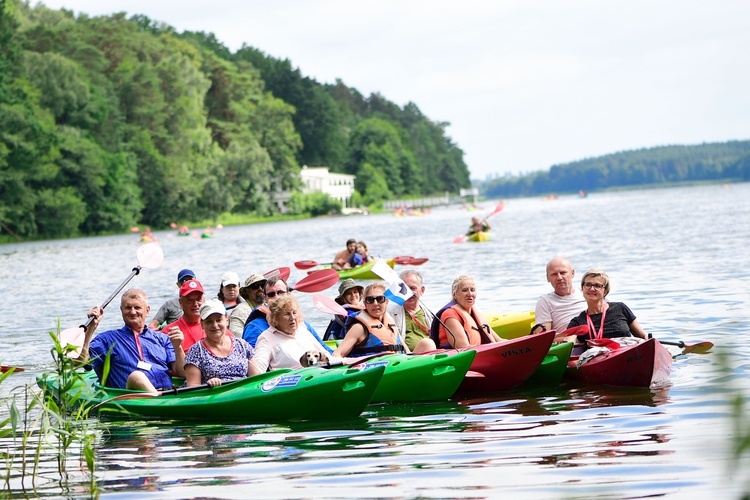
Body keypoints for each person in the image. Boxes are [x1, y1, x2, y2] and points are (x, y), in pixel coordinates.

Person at [78, 289, 186, 391]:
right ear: (121, 310)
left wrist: (178, 346)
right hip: (130, 396)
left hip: (167, 394)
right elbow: (80, 362)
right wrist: (91, 328)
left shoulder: (162, 339)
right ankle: (157, 400)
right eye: (128, 307)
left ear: (147, 310)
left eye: (137, 307)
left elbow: (182, 373)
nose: (133, 312)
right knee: (137, 376)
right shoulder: (106, 339)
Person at [332, 282, 434, 357]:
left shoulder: (390, 321)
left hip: (397, 365)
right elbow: (338, 354)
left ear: (386, 302)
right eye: (370, 300)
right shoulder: (359, 328)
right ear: (365, 303)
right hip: (375, 370)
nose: (375, 304)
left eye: (380, 299)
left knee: (427, 343)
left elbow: (406, 352)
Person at [242, 277, 331, 353]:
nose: (276, 297)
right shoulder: (255, 328)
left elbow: (324, 349)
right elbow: (252, 362)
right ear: (265, 298)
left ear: (288, 294)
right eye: (271, 294)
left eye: (281, 292)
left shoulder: (301, 323)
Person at [252, 295, 341, 372]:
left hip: (317, 375)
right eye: (287, 314)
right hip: (291, 383)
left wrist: (351, 362)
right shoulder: (266, 338)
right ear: (276, 318)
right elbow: (258, 371)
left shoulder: (303, 332)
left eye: (294, 313)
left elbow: (328, 358)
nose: (292, 318)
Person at [184, 299, 259, 387]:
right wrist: (209, 384)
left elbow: (256, 379)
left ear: (227, 320)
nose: (215, 325)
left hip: (243, 394)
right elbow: (193, 388)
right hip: (214, 397)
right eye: (209, 321)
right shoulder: (196, 351)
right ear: (202, 324)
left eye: (219, 320)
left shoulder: (242, 345)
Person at [564, 269, 648, 347]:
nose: (592, 289)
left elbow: (643, 336)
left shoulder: (620, 308)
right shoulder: (577, 322)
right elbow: (568, 346)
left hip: (627, 354)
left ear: (606, 291)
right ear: (582, 288)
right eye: (588, 285)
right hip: (599, 359)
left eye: (597, 286)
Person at [431, 275, 503, 349]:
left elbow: (499, 340)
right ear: (454, 294)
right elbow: (463, 348)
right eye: (465, 290)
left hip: (480, 351)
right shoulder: (450, 314)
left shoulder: (476, 312)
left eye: (472, 290)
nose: (470, 294)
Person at [534, 257, 586, 335]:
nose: (559, 278)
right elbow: (543, 337)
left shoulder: (587, 292)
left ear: (572, 273)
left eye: (563, 273)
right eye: (554, 274)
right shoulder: (544, 301)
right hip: (567, 343)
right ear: (548, 278)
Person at [387, 270, 436, 352]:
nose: (408, 292)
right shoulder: (389, 312)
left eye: (412, 288)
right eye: (404, 288)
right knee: (427, 343)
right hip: (406, 358)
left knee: (428, 343)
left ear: (422, 290)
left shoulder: (431, 314)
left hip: (430, 354)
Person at [162, 279, 206, 352]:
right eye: (189, 300)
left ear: (204, 300)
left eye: (199, 299)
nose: (195, 304)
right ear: (181, 303)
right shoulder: (169, 331)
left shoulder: (214, 326)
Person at [228, 273, 266, 338]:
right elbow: (236, 337)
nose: (260, 289)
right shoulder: (240, 311)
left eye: (263, 285)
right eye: (255, 286)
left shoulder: (268, 306)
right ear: (247, 291)